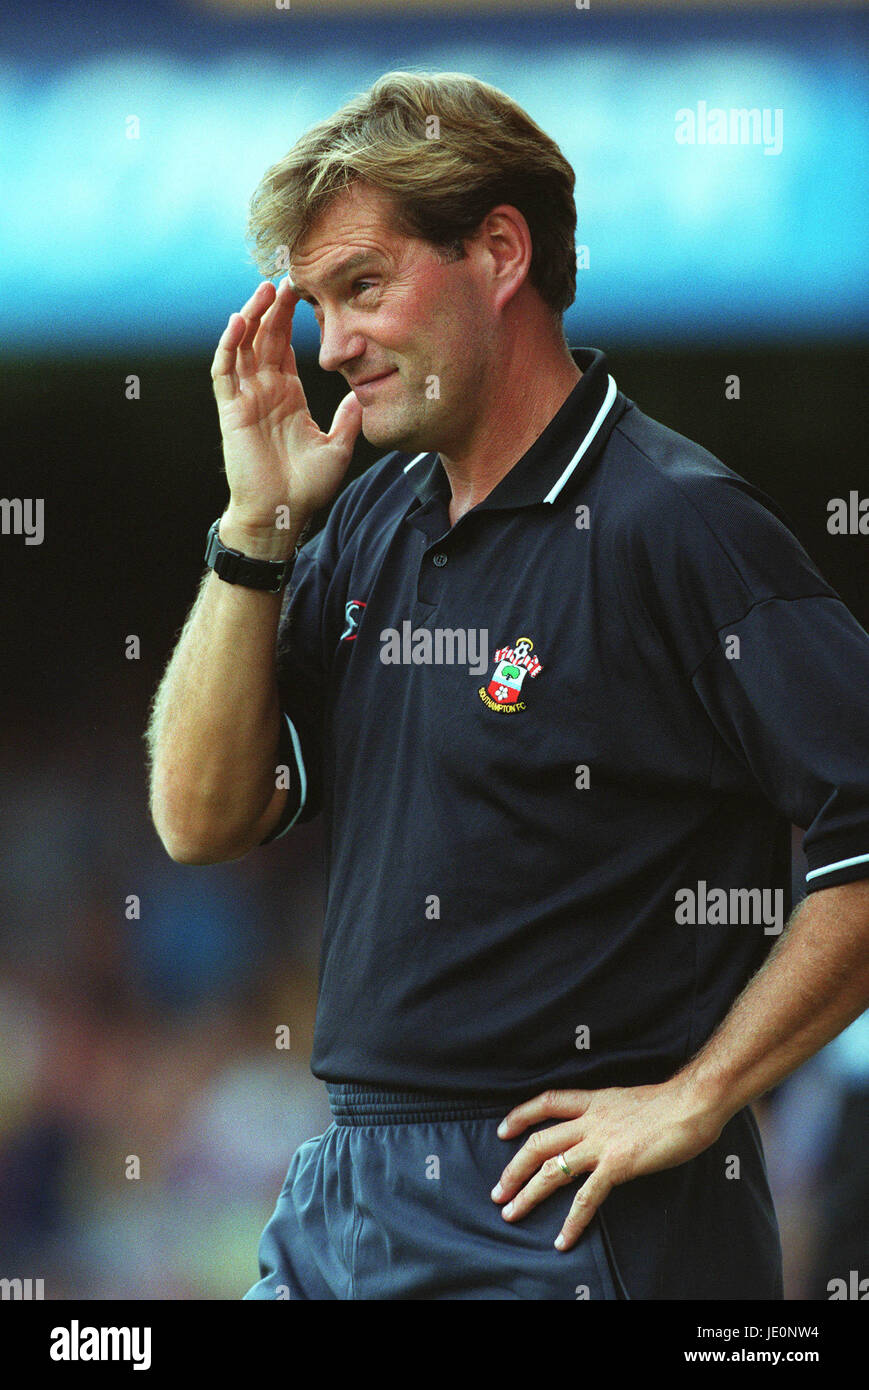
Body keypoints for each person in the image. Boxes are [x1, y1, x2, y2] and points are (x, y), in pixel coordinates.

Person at [146, 71, 869, 1300]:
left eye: (362, 287)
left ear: (496, 251)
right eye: (316, 305)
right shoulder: (371, 519)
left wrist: (695, 1098)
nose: (331, 349)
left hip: (558, 1215)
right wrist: (257, 534)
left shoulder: (675, 523)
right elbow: (201, 818)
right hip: (344, 1194)